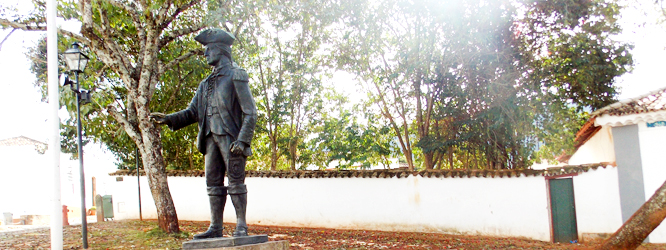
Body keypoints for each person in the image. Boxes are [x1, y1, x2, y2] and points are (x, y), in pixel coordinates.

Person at [150, 28, 257, 239]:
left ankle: (241, 226)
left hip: (230, 138)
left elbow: (251, 112)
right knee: (212, 182)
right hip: (209, 139)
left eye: (208, 49)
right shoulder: (205, 84)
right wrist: (169, 118)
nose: (205, 54)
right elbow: (192, 112)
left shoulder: (237, 75)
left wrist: (243, 140)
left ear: (220, 49)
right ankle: (216, 227)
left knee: (235, 181)